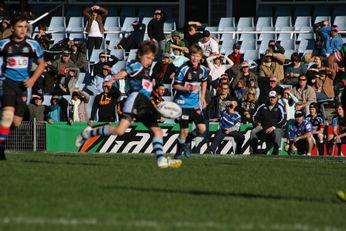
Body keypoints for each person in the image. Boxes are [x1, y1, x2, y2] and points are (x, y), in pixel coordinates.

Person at [76, 41, 182, 169]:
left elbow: (147, 91)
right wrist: (112, 80)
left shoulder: (146, 71)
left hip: (144, 104)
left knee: (155, 131)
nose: (150, 61)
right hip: (134, 101)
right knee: (124, 131)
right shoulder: (136, 66)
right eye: (148, 57)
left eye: (152, 58)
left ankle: (161, 159)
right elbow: (124, 73)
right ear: (140, 55)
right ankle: (90, 133)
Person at [0, 17, 45, 160]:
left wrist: (32, 79)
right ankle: (1, 148)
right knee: (7, 116)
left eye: (25, 27)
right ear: (12, 28)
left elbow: (42, 64)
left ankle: (2, 136)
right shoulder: (4, 44)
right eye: (19, 26)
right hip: (7, 82)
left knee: (16, 122)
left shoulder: (32, 45)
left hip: (24, 85)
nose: (23, 30)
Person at [173, 44, 208, 160]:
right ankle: (178, 154)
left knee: (202, 129)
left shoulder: (203, 69)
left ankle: (188, 141)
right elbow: (175, 85)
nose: (195, 58)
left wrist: (202, 98)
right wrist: (186, 88)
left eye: (197, 56)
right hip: (182, 103)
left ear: (200, 57)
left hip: (194, 104)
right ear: (190, 56)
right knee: (184, 131)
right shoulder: (183, 68)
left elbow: (204, 82)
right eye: (193, 56)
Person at [250, 91, 286, 155]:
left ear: (277, 98)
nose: (272, 99)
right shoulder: (262, 106)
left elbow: (283, 120)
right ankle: (253, 151)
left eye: (273, 97)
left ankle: (276, 150)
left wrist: (273, 127)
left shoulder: (280, 107)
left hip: (276, 128)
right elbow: (254, 116)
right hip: (263, 127)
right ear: (268, 98)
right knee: (253, 131)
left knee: (277, 132)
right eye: (270, 97)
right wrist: (257, 125)